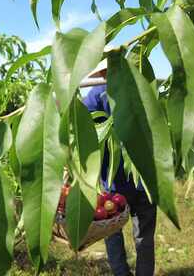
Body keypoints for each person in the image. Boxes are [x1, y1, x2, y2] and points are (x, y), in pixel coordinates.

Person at [83, 79, 157, 276]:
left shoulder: (95, 95)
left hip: (114, 186)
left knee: (112, 236)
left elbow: (79, 128)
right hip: (144, 182)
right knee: (144, 238)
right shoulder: (141, 88)